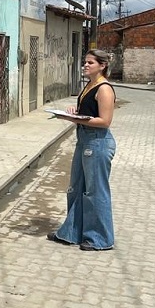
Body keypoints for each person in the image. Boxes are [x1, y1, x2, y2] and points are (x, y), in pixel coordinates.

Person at [47, 49, 117, 251]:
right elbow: (88, 112)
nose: (85, 65)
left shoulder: (104, 88)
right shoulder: (89, 85)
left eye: (90, 63)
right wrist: (74, 111)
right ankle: (72, 232)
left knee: (95, 191)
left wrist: (72, 119)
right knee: (76, 187)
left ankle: (101, 239)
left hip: (98, 143)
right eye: (85, 62)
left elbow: (105, 121)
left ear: (102, 65)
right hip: (84, 140)